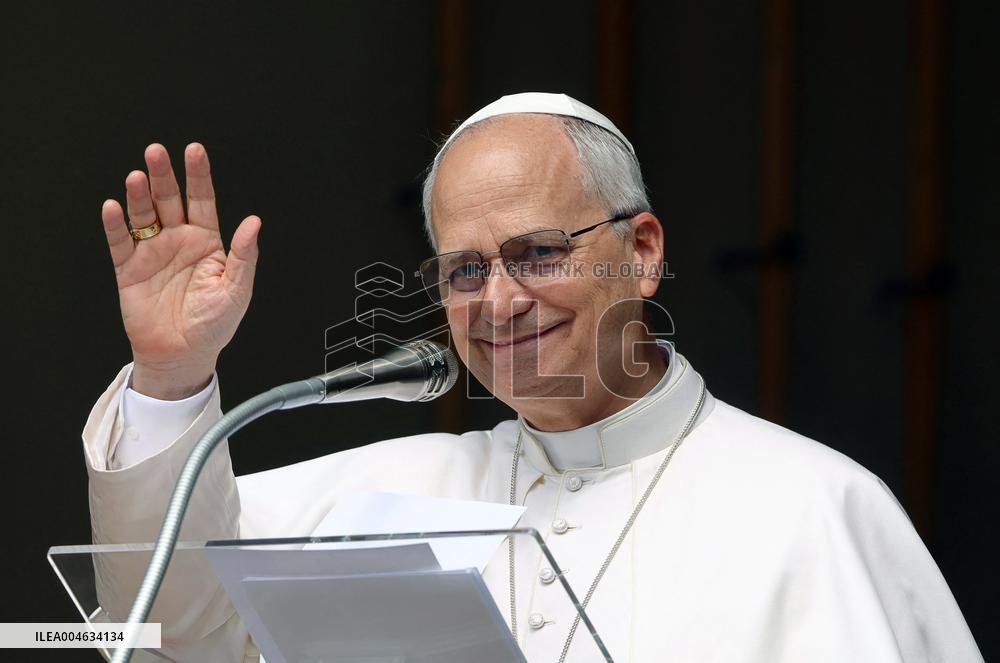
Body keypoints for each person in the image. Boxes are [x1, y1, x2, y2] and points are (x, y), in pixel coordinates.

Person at [84, 93, 983, 662]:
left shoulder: (815, 506)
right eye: (464, 269)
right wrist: (173, 372)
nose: (499, 301)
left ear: (641, 251)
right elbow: (170, 631)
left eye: (538, 253)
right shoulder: (382, 495)